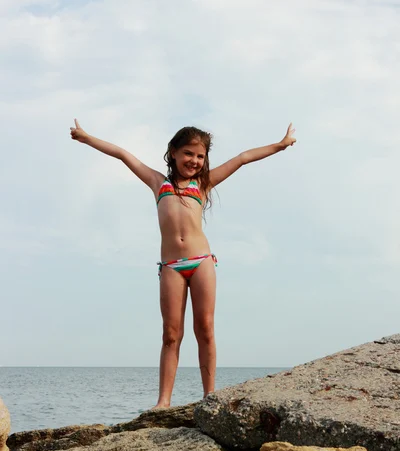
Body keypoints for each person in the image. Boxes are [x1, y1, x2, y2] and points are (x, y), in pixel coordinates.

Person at [70, 120, 296, 408]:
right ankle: (163, 401)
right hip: (171, 266)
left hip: (201, 262)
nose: (194, 161)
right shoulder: (158, 183)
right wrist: (87, 138)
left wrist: (280, 145)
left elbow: (242, 159)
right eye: (189, 153)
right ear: (174, 152)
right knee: (171, 334)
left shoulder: (203, 184)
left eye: (200, 156)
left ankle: (209, 395)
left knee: (205, 328)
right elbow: (123, 154)